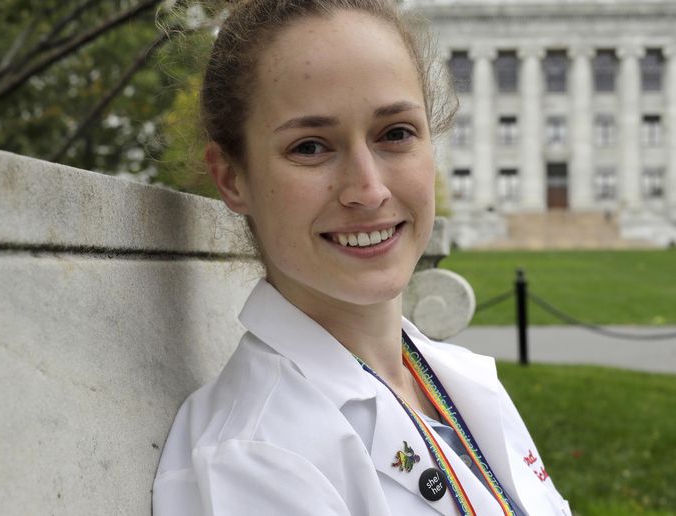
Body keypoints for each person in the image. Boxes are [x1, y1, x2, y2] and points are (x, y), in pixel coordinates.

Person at [153, 1, 572, 514]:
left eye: (395, 134)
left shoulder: (450, 379)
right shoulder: (257, 463)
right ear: (232, 178)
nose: (368, 190)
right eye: (310, 147)